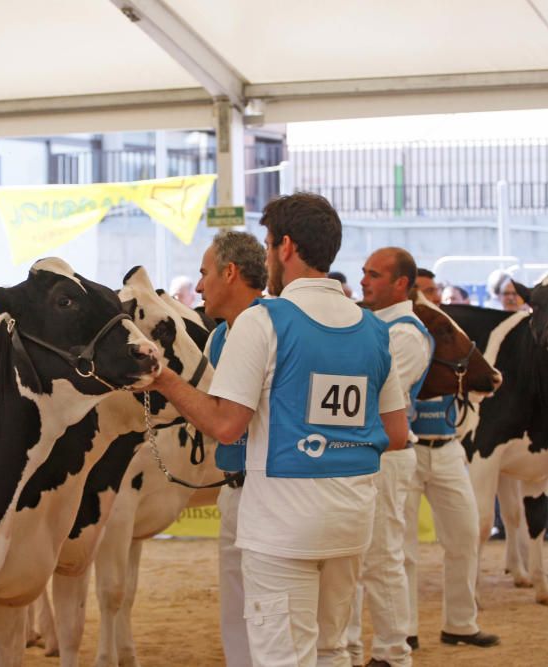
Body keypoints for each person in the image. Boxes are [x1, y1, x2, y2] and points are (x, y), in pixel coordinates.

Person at [147, 193, 409, 666]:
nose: (266, 255)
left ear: (285, 247)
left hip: (284, 522)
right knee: (332, 649)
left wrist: (164, 379)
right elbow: (396, 433)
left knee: (282, 655)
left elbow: (226, 425)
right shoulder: (372, 329)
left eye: (268, 244)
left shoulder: (264, 321)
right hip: (352, 515)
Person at [347, 247, 431, 667]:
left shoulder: (406, 333)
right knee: (355, 556)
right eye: (364, 272)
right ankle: (351, 647)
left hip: (388, 451)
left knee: (382, 557)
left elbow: (369, 389)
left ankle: (394, 653)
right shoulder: (373, 323)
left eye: (374, 274)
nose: (364, 281)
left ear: (401, 283)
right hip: (364, 449)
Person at [403, 306, 501, 651]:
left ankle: (461, 623)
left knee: (465, 534)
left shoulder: (452, 345)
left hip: (447, 448)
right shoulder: (406, 342)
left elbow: (480, 386)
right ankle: (405, 629)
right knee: (403, 548)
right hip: (410, 451)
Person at [195, 230, 267, 667]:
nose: (199, 285)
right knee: (237, 605)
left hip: (273, 487)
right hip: (235, 486)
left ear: (230, 272)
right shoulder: (218, 338)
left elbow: (222, 421)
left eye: (205, 273)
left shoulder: (276, 325)